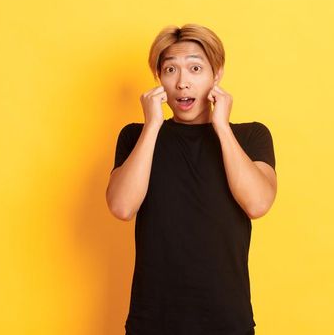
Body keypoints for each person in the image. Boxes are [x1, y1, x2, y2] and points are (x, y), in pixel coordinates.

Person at [105, 23, 277, 335]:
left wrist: (222, 127)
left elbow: (258, 203)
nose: (183, 83)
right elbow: (121, 207)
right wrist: (153, 126)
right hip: (152, 320)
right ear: (159, 79)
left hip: (227, 320)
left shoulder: (250, 135)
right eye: (171, 70)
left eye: (195, 68)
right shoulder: (136, 136)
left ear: (217, 74)